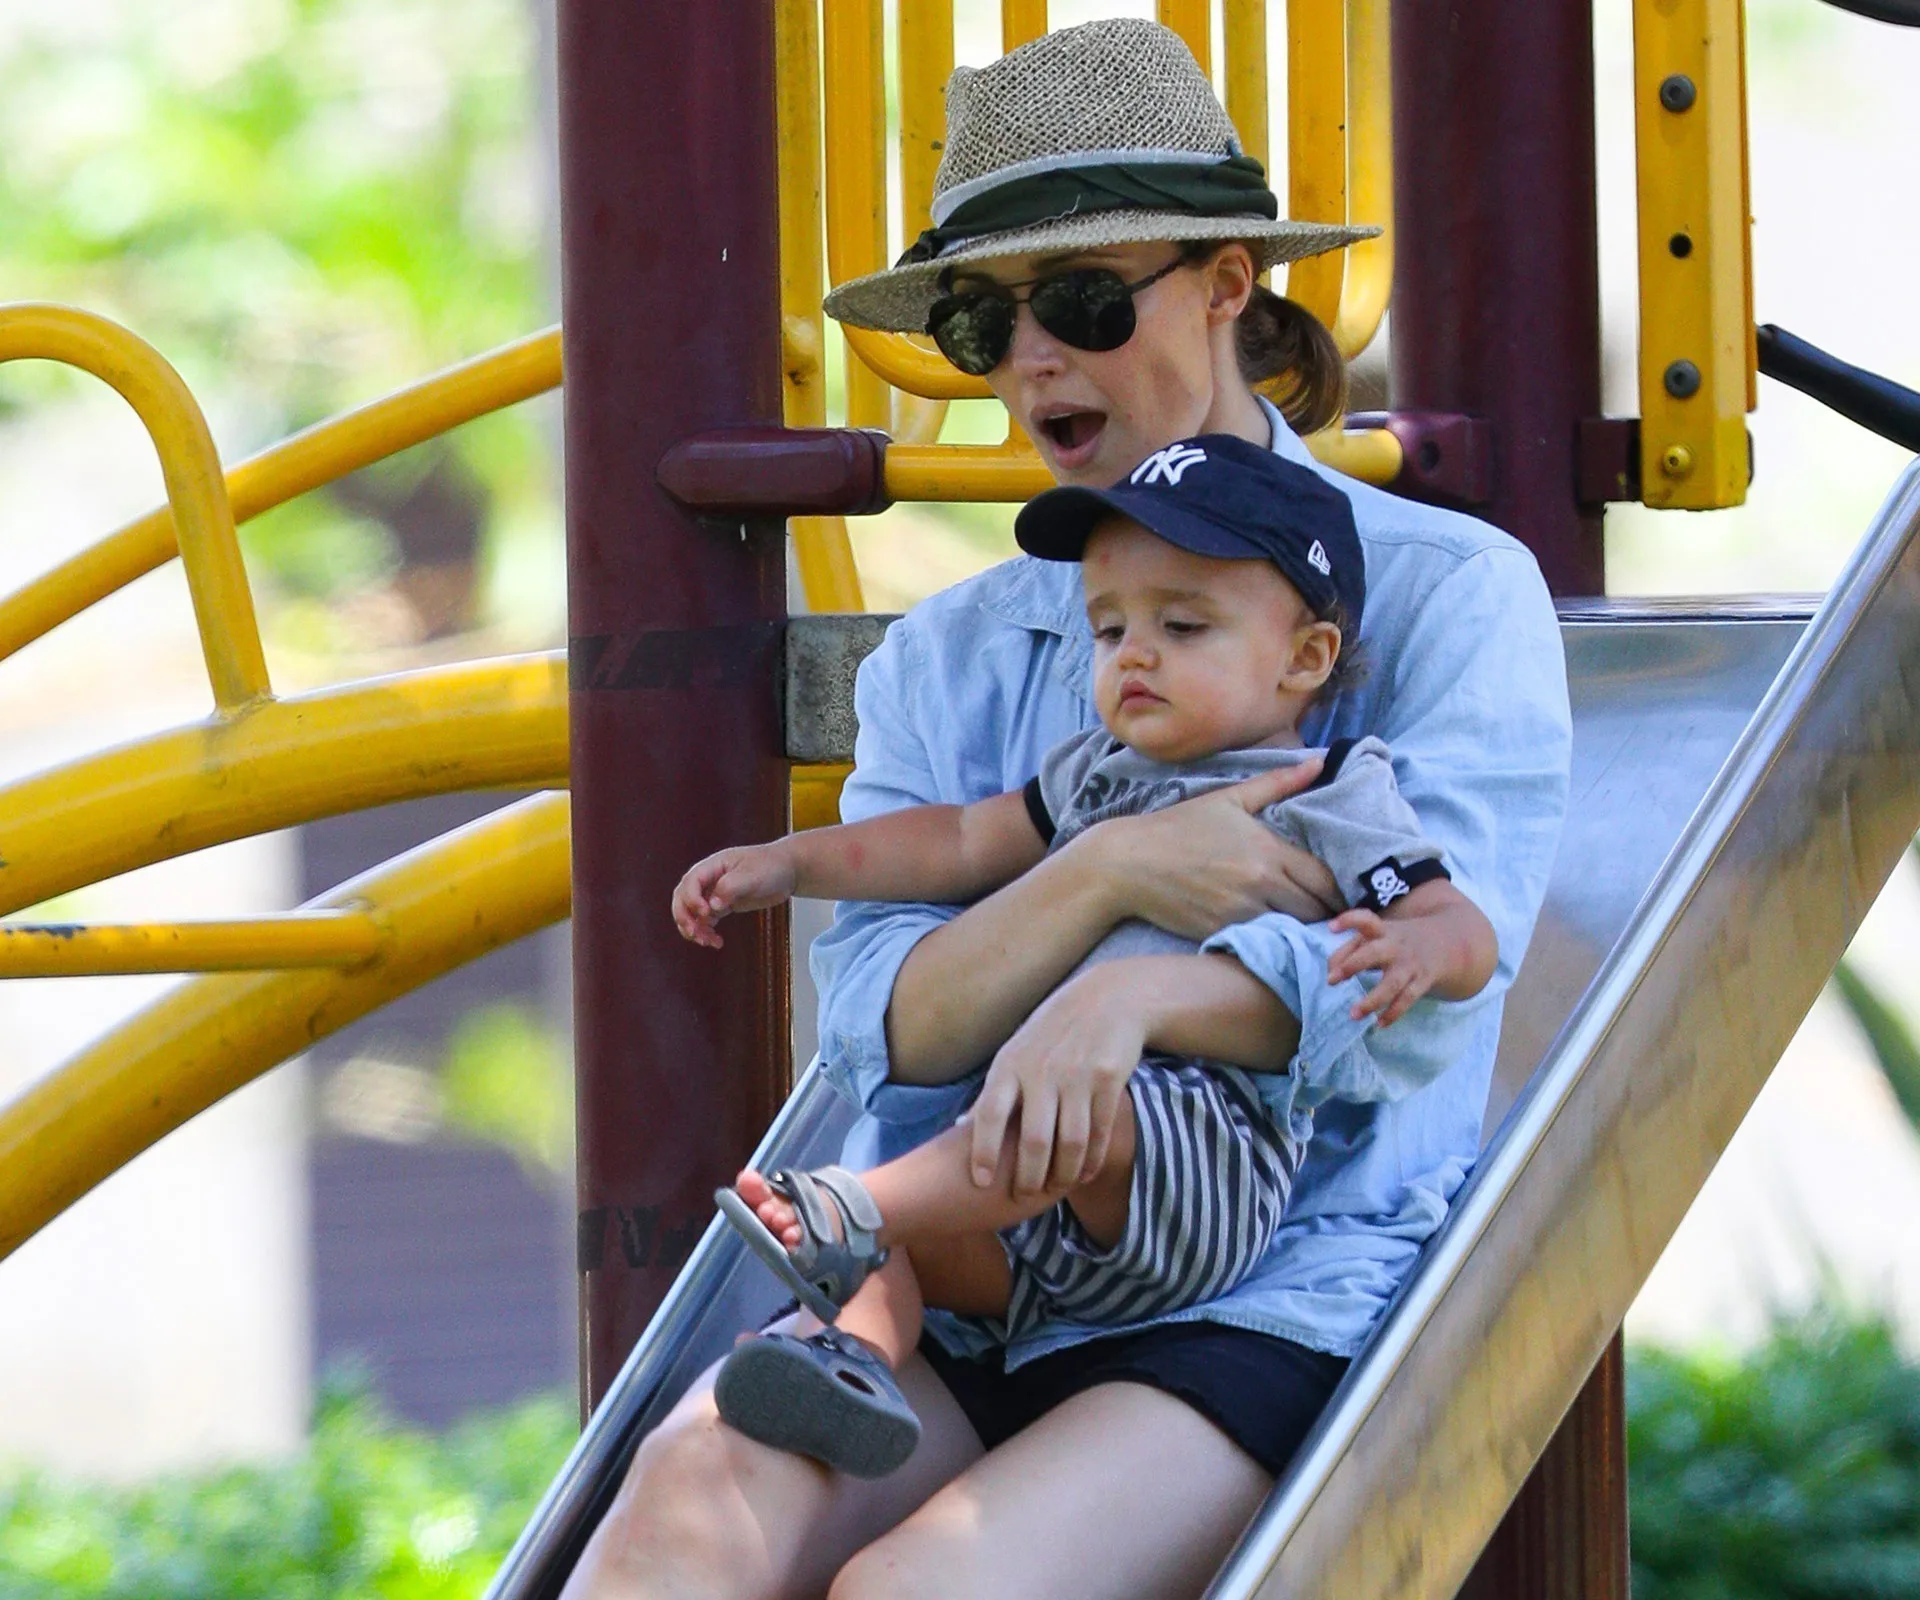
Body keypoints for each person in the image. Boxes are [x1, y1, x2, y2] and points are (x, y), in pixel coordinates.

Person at [562, 17, 1569, 1600]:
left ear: (1229, 286)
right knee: (680, 1509)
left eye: (1088, 300)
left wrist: (1133, 1000)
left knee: (920, 1593)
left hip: (1261, 1282)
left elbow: (1427, 998)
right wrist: (1107, 874)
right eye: (986, 319)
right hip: (972, 1288)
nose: (1036, 359)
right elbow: (881, 1028)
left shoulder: (1441, 595)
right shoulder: (949, 656)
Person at [668, 437, 1499, 1482]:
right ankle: (856, 1362)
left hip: (1192, 1161)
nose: (1132, 655)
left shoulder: (1326, 789)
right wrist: (790, 862)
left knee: (1052, 1106)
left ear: (1306, 659)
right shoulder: (1094, 774)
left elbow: (1461, 927)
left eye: (1181, 625)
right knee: (914, 1242)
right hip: (1037, 1222)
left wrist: (1419, 945)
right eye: (1110, 629)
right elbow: (957, 843)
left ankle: (859, 1199)